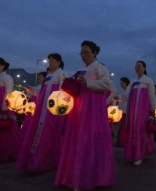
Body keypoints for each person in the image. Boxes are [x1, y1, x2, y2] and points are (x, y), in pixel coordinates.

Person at [55, 41, 116, 191]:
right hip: (79, 106)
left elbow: (105, 85)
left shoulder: (101, 68)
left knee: (90, 138)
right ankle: (75, 175)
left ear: (95, 53)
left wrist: (87, 82)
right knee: (77, 138)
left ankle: (92, 176)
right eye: (81, 52)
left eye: (86, 52)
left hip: (93, 107)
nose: (83, 55)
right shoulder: (80, 69)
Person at [16, 53, 67, 172]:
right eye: (49, 61)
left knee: (50, 133)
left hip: (52, 110)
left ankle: (49, 160)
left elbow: (62, 92)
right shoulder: (49, 76)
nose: (50, 63)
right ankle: (39, 159)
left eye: (53, 60)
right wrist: (32, 90)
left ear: (59, 62)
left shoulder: (61, 74)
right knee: (42, 132)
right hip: (43, 109)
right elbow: (41, 93)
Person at [115, 61, 156, 165]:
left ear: (144, 68)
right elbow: (126, 95)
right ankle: (133, 153)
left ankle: (139, 155)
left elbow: (152, 96)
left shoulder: (148, 81)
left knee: (140, 131)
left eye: (139, 66)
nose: (137, 68)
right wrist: (118, 98)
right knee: (132, 130)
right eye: (136, 66)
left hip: (143, 111)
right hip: (132, 111)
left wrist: (153, 109)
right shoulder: (132, 81)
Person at [0, 58, 22, 162]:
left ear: (3, 66)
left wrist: (4, 105)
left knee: (5, 128)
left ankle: (7, 153)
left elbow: (8, 91)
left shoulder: (7, 77)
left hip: (2, 103)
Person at [117, 77, 130, 147]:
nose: (121, 84)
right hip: (123, 112)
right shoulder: (125, 91)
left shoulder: (128, 91)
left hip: (126, 112)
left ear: (126, 83)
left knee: (124, 127)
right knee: (122, 127)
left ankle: (123, 141)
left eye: (122, 82)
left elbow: (123, 98)